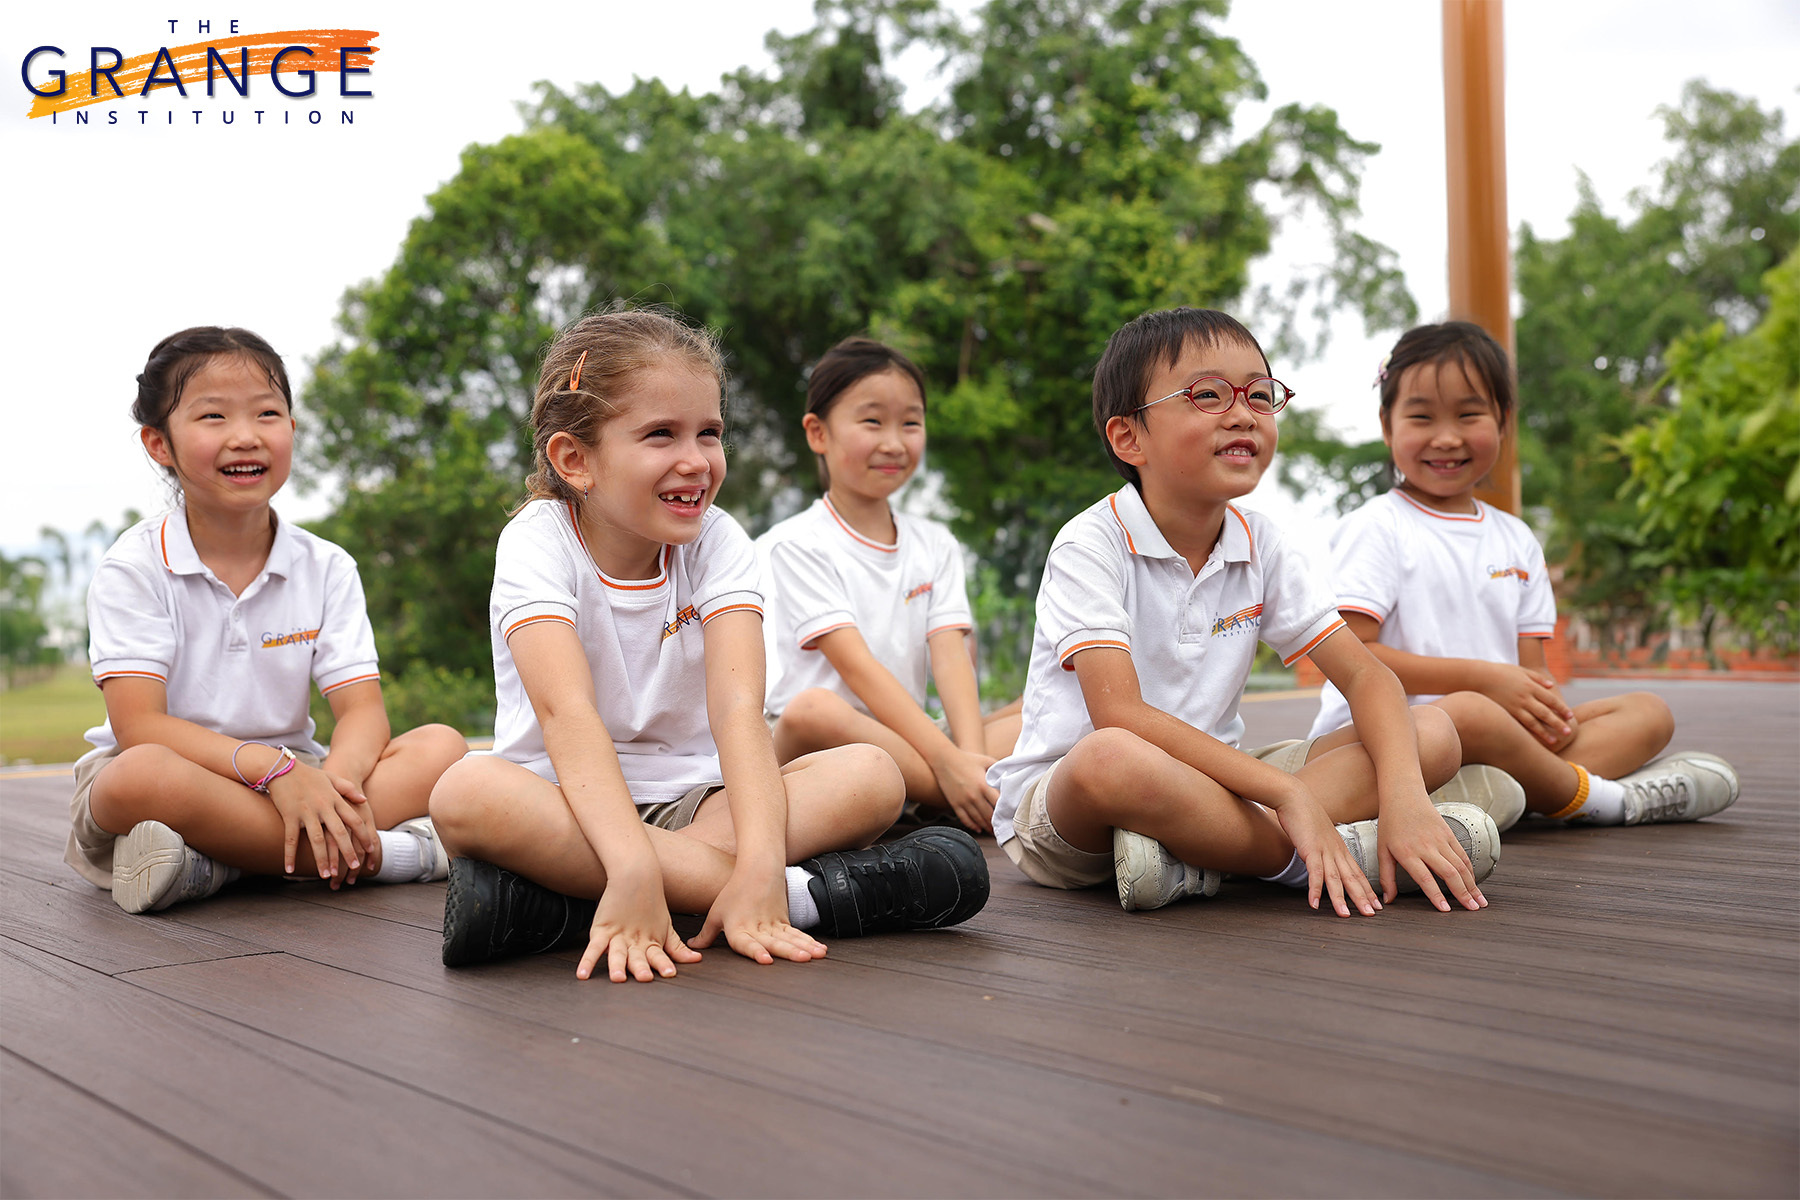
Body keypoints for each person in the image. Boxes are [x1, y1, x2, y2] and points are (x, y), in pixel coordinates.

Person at [428, 309, 988, 984]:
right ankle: (808, 898)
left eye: (710, 433)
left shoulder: (719, 541)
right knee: (464, 791)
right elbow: (565, 714)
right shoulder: (538, 540)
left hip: (693, 801)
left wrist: (756, 859)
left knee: (871, 775)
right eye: (660, 435)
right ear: (575, 459)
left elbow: (738, 709)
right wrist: (634, 863)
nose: (695, 461)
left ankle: (567, 907)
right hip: (564, 802)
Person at [987, 307, 1499, 916]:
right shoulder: (1090, 543)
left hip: (1220, 788)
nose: (1242, 413)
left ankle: (1197, 856)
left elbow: (1367, 677)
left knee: (1432, 734)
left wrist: (1407, 802)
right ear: (1129, 438)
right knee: (1109, 756)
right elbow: (1118, 714)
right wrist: (1287, 794)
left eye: (1260, 395)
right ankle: (1295, 859)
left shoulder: (1263, 542)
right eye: (1207, 394)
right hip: (1069, 813)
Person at [68, 327, 468, 914]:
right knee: (141, 776)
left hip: (302, 776)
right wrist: (269, 770)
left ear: (292, 430)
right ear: (159, 444)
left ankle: (216, 863)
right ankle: (396, 856)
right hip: (185, 778)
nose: (246, 437)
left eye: (267, 414)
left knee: (441, 745)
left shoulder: (327, 566)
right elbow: (140, 728)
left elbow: (361, 711)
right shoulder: (134, 566)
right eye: (213, 417)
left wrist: (334, 784)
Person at [1306, 321, 1738, 826]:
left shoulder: (1516, 538)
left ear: (1503, 420)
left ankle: (1509, 793)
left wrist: (1540, 712)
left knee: (1647, 713)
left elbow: (1533, 676)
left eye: (1469, 415)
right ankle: (1606, 802)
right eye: (1421, 417)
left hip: (1498, 740)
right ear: (1387, 425)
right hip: (1393, 740)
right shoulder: (1377, 526)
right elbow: (1355, 656)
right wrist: (1486, 680)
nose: (1446, 438)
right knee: (1465, 711)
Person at [761, 337, 1021, 833]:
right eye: (872, 421)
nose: (894, 443)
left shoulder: (935, 543)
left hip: (907, 740)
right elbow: (856, 668)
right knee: (813, 710)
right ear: (818, 433)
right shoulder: (795, 544)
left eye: (911, 422)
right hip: (820, 742)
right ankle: (964, 792)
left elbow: (950, 655)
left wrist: (964, 756)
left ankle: (961, 788)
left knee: (1041, 708)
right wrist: (945, 759)